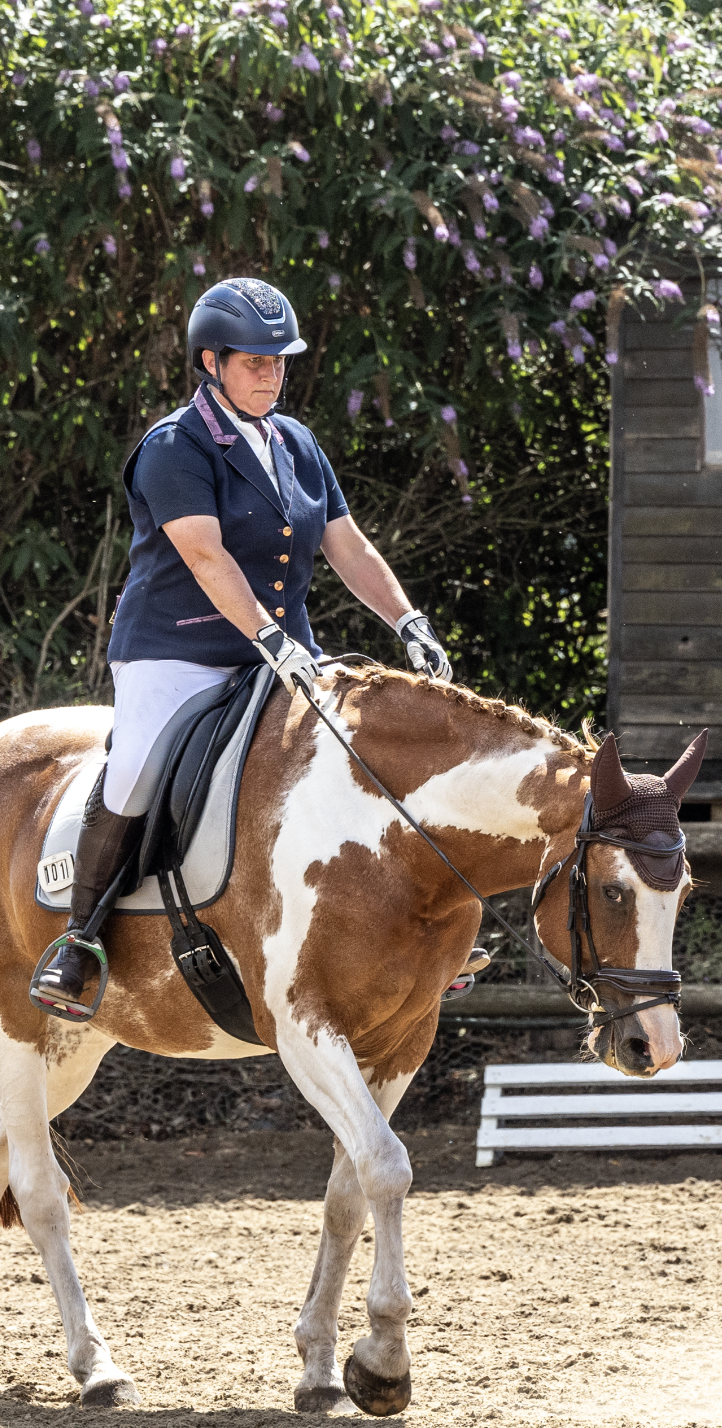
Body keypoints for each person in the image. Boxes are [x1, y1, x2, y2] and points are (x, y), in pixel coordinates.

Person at [30, 275, 453, 1016]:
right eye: (255, 362)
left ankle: (416, 927)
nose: (272, 375)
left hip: (283, 650)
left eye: (280, 361)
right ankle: (79, 937)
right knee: (133, 769)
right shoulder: (174, 447)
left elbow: (347, 548)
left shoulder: (297, 443)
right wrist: (267, 636)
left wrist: (407, 620)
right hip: (177, 650)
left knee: (367, 751)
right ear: (210, 362)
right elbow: (206, 559)